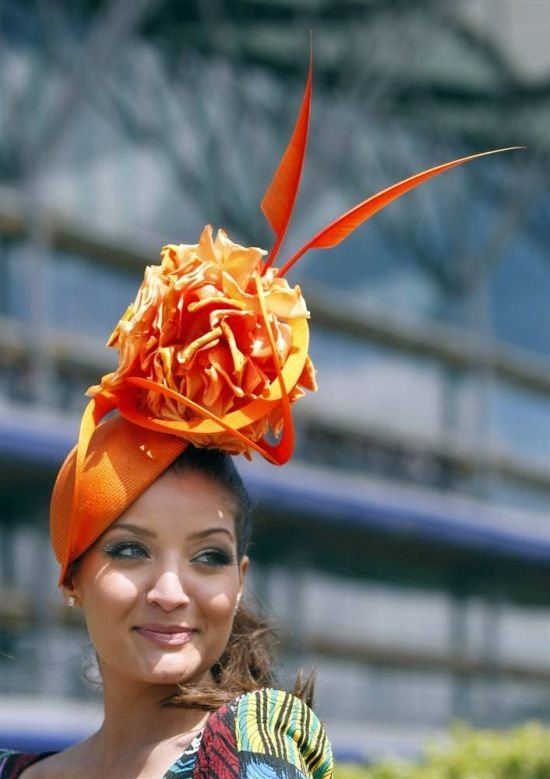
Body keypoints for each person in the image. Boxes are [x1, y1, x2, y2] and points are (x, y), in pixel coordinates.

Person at [1, 51, 506, 779]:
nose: (171, 590)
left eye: (207, 555)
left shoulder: (252, 759)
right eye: (130, 549)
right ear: (73, 573)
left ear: (238, 580)